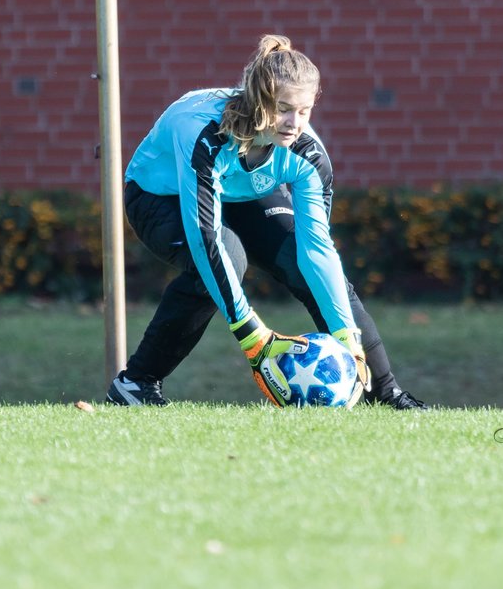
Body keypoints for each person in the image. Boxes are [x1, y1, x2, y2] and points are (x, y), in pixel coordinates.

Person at [106, 34, 427, 410]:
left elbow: (318, 251)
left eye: (305, 111)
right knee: (227, 256)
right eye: (283, 109)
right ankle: (136, 384)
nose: (295, 124)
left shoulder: (307, 153)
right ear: (259, 101)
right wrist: (251, 334)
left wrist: (347, 337)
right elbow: (205, 239)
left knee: (301, 263)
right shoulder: (205, 135)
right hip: (160, 196)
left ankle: (385, 393)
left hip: (243, 193)